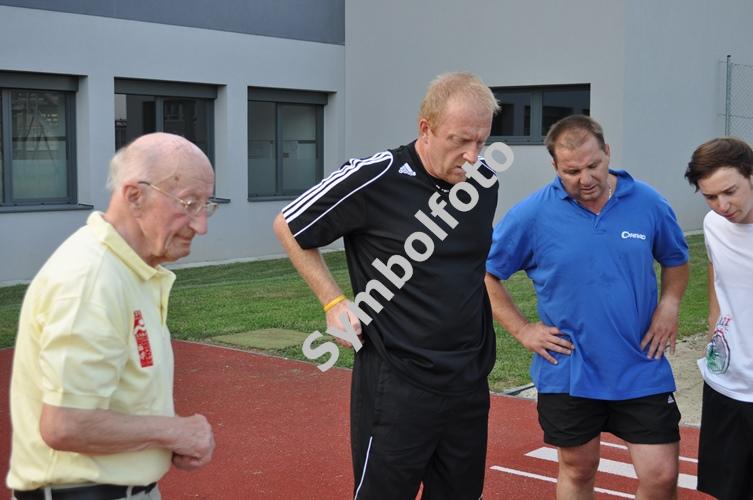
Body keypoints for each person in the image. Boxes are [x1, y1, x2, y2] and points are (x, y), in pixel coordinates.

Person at [273, 72, 500, 499]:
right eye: (460, 141)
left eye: (482, 142)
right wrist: (333, 301)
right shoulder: (375, 177)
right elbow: (289, 224)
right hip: (396, 385)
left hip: (468, 383)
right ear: (425, 128)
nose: (472, 156)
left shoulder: (484, 182)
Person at [485, 115, 689, 499]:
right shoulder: (532, 214)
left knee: (661, 475)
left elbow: (676, 260)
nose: (586, 178)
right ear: (554, 166)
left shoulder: (647, 202)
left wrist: (670, 304)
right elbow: (487, 274)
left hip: (640, 362)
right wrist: (523, 329)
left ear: (607, 152)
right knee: (579, 468)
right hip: (569, 370)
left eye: (593, 165)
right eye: (572, 171)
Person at [7, 132, 217, 500]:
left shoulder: (129, 271)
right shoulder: (93, 279)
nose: (201, 225)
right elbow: (66, 424)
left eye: (206, 206)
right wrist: (174, 432)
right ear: (135, 196)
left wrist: (162, 435)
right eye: (189, 204)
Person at [684, 137, 753, 500]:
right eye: (710, 196)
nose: (722, 205)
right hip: (727, 383)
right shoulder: (713, 224)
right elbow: (717, 276)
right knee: (726, 492)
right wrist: (714, 328)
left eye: (730, 192)